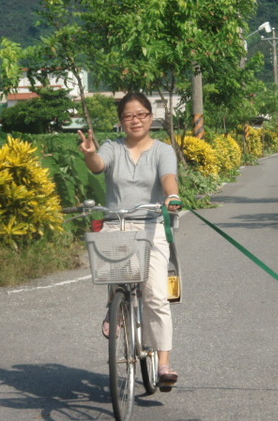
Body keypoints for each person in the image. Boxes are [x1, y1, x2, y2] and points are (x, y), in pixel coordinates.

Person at [78, 91, 180, 392]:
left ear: (151, 117)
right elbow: (98, 165)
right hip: (116, 223)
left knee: (157, 296)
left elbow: (168, 179)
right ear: (121, 121)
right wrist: (88, 152)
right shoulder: (112, 147)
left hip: (151, 225)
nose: (135, 120)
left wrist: (172, 197)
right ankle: (115, 305)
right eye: (128, 116)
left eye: (141, 114)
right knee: (114, 271)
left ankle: (163, 363)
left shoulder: (163, 150)